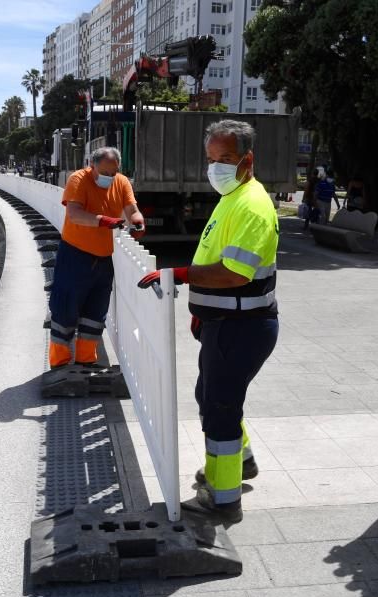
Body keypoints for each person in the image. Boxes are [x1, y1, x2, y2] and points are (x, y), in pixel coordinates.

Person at [137, 120, 279, 523]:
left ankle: (222, 498)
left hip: (241, 327)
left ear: (247, 161)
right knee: (213, 398)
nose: (215, 168)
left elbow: (235, 273)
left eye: (226, 160)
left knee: (219, 408)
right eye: (211, 160)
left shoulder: (250, 204)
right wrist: (203, 312)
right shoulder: (232, 196)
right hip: (227, 323)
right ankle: (242, 462)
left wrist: (181, 275)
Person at [48, 146, 145, 369]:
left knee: (96, 310)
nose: (110, 178)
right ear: (92, 166)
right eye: (105, 173)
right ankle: (59, 362)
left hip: (102, 258)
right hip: (75, 254)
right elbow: (74, 214)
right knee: (65, 306)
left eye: (114, 173)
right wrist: (102, 220)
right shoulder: (78, 180)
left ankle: (86, 359)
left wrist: (138, 221)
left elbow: (132, 209)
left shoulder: (121, 182)